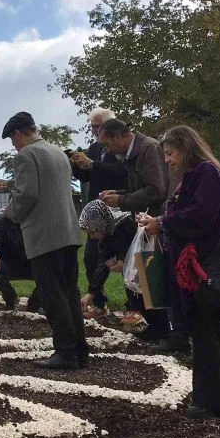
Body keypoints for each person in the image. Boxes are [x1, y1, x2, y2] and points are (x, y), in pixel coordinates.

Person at [139, 125, 220, 419]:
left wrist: (163, 222)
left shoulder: (206, 173)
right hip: (197, 265)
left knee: (203, 332)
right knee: (213, 328)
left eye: (170, 153)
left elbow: (201, 214)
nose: (168, 160)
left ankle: (212, 402)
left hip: (200, 267)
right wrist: (161, 221)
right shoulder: (199, 174)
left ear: (186, 148)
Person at [2, 112, 87, 370]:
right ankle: (79, 350)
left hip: (44, 235)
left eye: (13, 140)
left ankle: (66, 352)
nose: (14, 146)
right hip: (68, 233)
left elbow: (27, 195)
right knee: (70, 293)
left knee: (52, 296)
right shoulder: (58, 152)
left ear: (19, 134)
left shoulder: (26, 155)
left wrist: (9, 215)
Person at [97, 119, 185, 348]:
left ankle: (168, 331)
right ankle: (158, 327)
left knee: (154, 275)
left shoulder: (148, 149)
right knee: (145, 275)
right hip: (148, 222)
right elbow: (143, 187)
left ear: (119, 137)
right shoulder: (136, 153)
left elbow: (157, 190)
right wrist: (119, 194)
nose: (108, 150)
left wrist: (123, 200)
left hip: (158, 223)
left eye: (107, 144)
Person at [77, 200, 170, 340]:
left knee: (150, 296)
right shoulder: (108, 232)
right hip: (136, 269)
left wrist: (123, 261)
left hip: (148, 262)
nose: (91, 236)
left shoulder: (125, 224)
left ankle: (162, 330)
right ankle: (155, 328)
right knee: (135, 296)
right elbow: (103, 262)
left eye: (92, 231)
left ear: (100, 225)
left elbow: (133, 243)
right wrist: (91, 293)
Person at [69, 108, 128, 317]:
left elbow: (122, 174)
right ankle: (99, 303)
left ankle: (135, 306)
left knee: (124, 259)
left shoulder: (123, 149)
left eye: (98, 127)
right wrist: (76, 166)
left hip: (120, 208)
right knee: (91, 257)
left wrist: (93, 164)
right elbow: (87, 177)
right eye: (92, 127)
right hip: (98, 211)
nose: (94, 131)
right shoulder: (94, 148)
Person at [0, 212, 38, 312]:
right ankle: (11, 298)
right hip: (9, 263)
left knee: (51, 269)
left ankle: (36, 302)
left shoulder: (38, 219)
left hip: (33, 264)